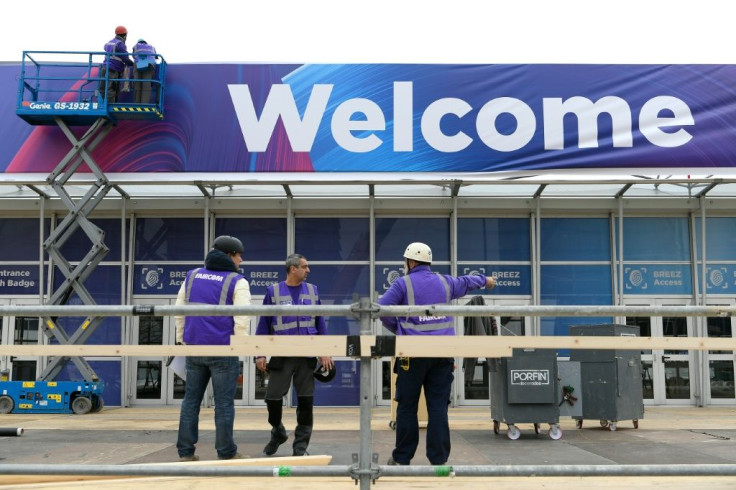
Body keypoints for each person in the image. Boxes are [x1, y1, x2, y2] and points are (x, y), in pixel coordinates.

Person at [378, 242, 496, 466]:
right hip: (442, 354)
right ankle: (439, 460)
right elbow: (467, 281)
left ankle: (402, 458)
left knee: (407, 407)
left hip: (411, 355)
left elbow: (382, 308)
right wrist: (486, 280)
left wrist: (398, 328)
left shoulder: (403, 284)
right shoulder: (445, 282)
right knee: (438, 408)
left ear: (410, 262)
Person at [175, 235, 252, 462]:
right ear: (229, 255)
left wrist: (182, 340)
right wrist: (241, 344)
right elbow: (243, 317)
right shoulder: (237, 281)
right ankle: (226, 452)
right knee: (224, 404)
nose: (241, 260)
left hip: (194, 348)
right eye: (239, 255)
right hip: (223, 350)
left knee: (190, 401)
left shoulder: (192, 276)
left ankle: (186, 453)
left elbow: (179, 311)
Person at [255, 253, 334, 457]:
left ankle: (300, 447)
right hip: (282, 355)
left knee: (306, 403)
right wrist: (260, 354)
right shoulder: (273, 292)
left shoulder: (312, 290)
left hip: (307, 357)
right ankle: (278, 432)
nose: (308, 270)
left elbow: (320, 323)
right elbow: (264, 324)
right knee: (272, 398)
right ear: (293, 269)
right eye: (304, 267)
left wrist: (324, 351)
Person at [99, 26, 133, 103]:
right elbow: (125, 58)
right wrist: (132, 64)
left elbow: (105, 48)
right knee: (111, 88)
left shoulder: (109, 42)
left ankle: (101, 105)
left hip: (105, 67)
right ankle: (109, 106)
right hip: (113, 68)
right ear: (125, 35)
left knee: (102, 88)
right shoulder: (120, 44)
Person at [132, 38, 157, 104]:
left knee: (137, 82)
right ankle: (144, 103)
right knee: (147, 84)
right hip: (150, 64)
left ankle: (137, 103)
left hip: (139, 63)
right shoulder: (152, 47)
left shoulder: (136, 46)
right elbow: (156, 57)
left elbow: (133, 56)